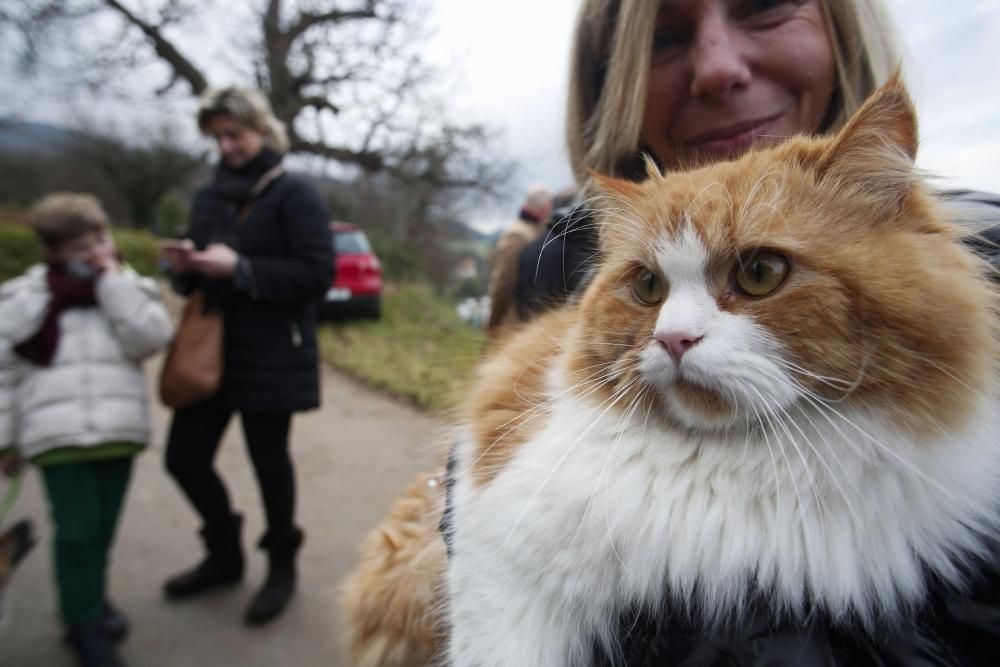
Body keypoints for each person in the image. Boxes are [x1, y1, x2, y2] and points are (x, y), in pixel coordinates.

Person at [515, 0, 1000, 318]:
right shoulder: (552, 264)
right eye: (663, 39)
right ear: (605, 88)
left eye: (764, 5)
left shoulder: (990, 243)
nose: (718, 67)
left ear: (844, 27)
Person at [159, 87, 333, 626]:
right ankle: (224, 553)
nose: (227, 146)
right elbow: (196, 272)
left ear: (261, 129)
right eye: (217, 136)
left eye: (235, 133)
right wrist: (185, 267)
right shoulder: (210, 195)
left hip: (271, 353)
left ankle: (281, 566)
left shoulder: (294, 193)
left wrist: (240, 269)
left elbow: (316, 274)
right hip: (210, 350)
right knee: (183, 459)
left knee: (269, 466)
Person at [0, 193, 173, 667]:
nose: (96, 252)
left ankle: (89, 600)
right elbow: (4, 373)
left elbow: (151, 338)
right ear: (53, 251)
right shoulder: (22, 298)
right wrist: (4, 439)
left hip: (116, 433)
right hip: (58, 439)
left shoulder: (125, 286)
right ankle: (83, 625)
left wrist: (111, 284)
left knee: (100, 532)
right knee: (76, 534)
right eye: (81, 247)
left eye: (101, 239)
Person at [484, 186, 553, 336]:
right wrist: (494, 321)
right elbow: (503, 281)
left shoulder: (534, 233)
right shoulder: (517, 236)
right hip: (512, 323)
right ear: (545, 208)